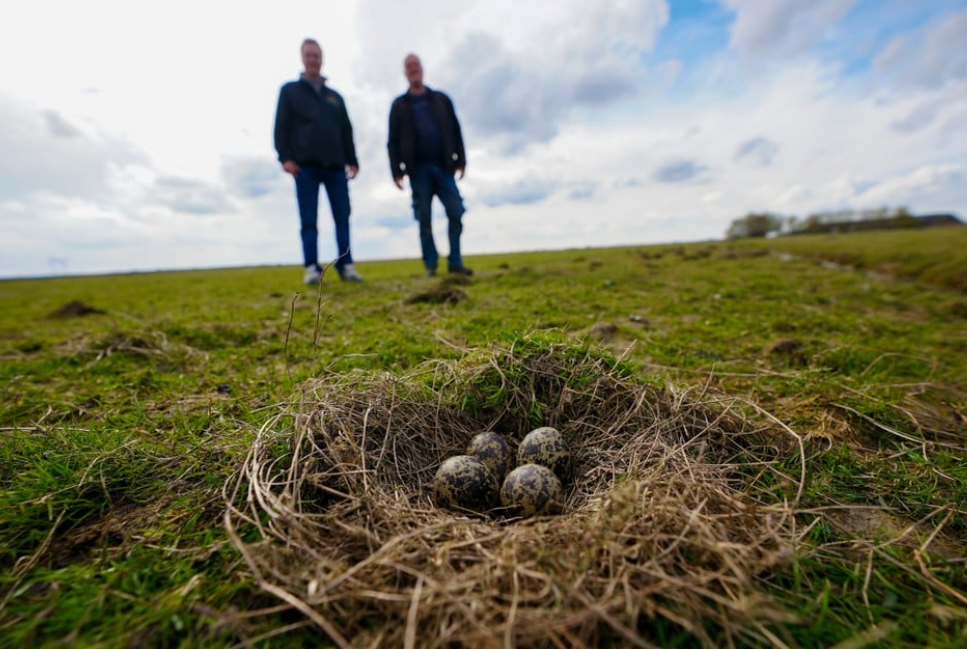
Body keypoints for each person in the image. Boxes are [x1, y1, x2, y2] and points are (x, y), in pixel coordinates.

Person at [274, 38, 363, 284]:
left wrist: (352, 160)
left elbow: (346, 130)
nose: (313, 59)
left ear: (322, 59)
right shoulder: (290, 91)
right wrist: (285, 157)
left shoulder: (335, 97)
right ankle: (311, 267)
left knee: (342, 217)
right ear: (303, 58)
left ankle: (346, 265)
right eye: (309, 55)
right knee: (308, 219)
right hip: (306, 166)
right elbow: (281, 126)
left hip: (336, 166)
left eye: (317, 55)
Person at [387, 53, 472, 277]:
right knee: (424, 218)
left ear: (422, 69)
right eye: (409, 66)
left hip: (444, 167)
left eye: (416, 65)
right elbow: (393, 140)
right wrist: (396, 171)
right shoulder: (399, 105)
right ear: (405, 72)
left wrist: (461, 160)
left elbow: (455, 129)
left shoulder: (441, 99)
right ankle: (431, 265)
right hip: (417, 171)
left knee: (456, 211)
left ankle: (455, 261)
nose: (413, 69)